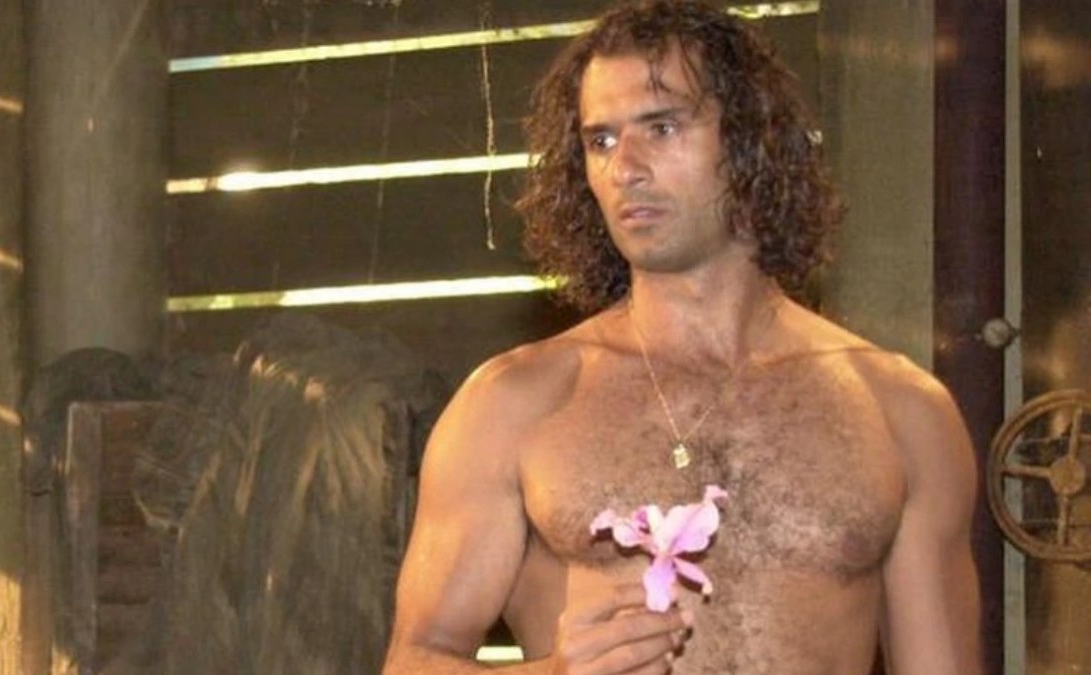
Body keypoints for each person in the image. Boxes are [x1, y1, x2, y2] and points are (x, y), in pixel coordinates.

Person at [382, 1, 981, 673]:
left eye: (661, 127)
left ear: (749, 141)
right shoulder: (514, 403)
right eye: (600, 141)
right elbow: (412, 661)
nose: (624, 168)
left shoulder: (901, 410)